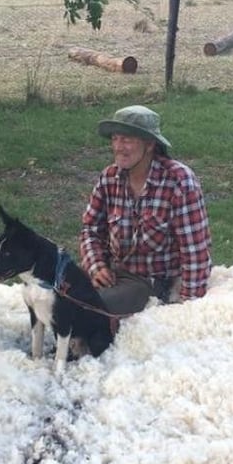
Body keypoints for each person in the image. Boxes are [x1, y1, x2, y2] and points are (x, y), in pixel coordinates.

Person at [79, 105, 212, 316]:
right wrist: (96, 266)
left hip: (153, 283)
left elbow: (195, 252)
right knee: (58, 291)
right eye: (115, 138)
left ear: (149, 144)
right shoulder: (109, 178)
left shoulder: (179, 181)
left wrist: (189, 311)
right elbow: (90, 230)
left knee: (88, 307)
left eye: (127, 140)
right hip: (115, 275)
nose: (118, 147)